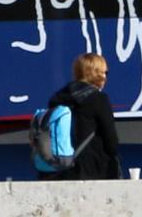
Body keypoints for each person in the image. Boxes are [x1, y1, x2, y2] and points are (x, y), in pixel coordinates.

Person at [40, 53, 124, 181]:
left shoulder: (57, 98)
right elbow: (110, 140)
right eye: (104, 72)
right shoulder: (98, 99)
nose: (105, 77)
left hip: (61, 167)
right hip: (94, 168)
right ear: (96, 73)